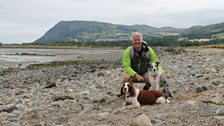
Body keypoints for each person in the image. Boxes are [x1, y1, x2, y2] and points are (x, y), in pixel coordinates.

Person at [122, 32, 172, 97]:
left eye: (138, 40)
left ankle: (146, 90)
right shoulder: (128, 51)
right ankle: (129, 93)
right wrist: (136, 75)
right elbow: (126, 66)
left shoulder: (149, 50)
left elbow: (156, 62)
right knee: (126, 77)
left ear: (141, 40)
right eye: (135, 40)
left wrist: (161, 72)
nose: (137, 42)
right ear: (132, 41)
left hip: (145, 72)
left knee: (152, 77)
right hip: (132, 72)